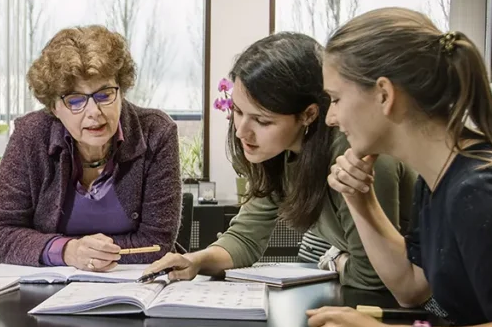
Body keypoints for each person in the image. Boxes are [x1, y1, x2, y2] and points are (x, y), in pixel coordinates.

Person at [308, 7, 492, 327]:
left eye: (336, 99)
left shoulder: (481, 191)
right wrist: (360, 200)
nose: (332, 118)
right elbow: (410, 287)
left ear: (383, 94)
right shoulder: (437, 178)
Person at [144, 32, 415, 290]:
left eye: (262, 120)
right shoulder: (279, 154)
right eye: (238, 111)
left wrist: (331, 259)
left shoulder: (353, 154)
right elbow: (244, 238)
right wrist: (194, 261)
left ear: (308, 114)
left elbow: (373, 278)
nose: (241, 131)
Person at [0, 25, 182, 271]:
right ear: (54, 107)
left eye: (104, 95)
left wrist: (91, 256)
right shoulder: (31, 135)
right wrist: (68, 251)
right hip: (47, 293)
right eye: (75, 100)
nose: (94, 113)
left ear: (121, 92)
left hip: (135, 285)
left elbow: (157, 243)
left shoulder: (156, 132)